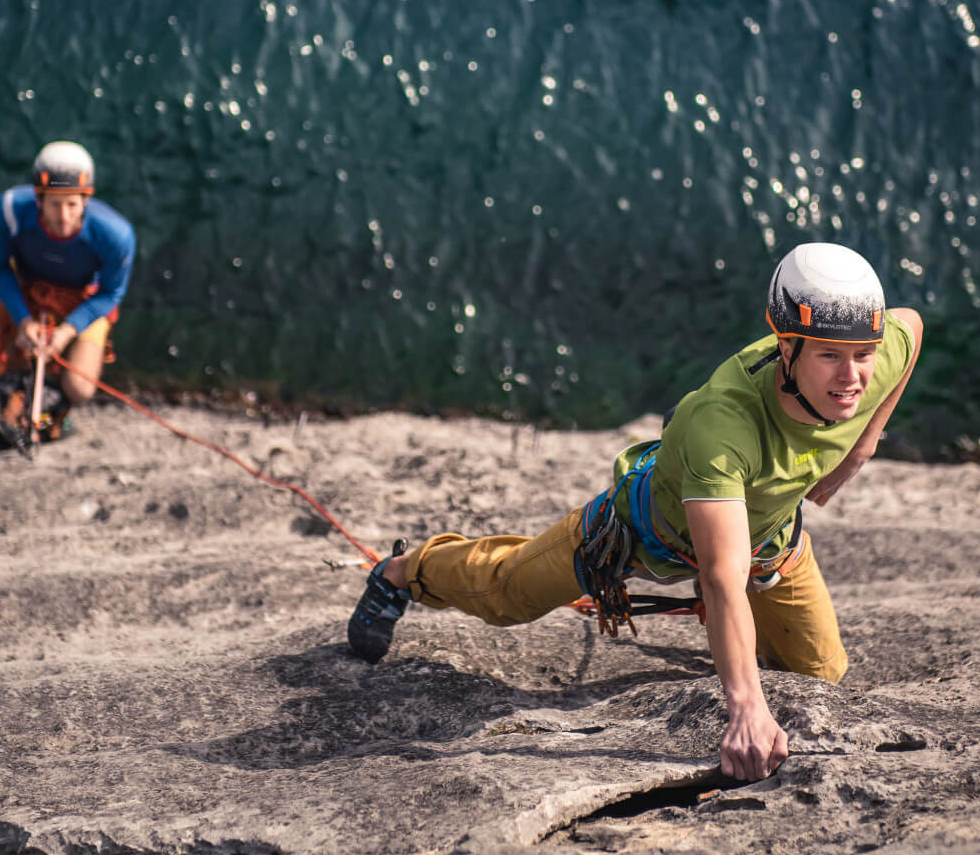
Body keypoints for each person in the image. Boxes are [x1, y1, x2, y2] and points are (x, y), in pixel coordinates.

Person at [347, 241, 923, 782]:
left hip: (769, 542)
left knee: (817, 679)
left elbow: (913, 327)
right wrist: (745, 708)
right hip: (639, 533)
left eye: (862, 356)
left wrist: (866, 441)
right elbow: (721, 579)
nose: (851, 379)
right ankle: (404, 570)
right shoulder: (724, 425)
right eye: (829, 357)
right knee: (506, 596)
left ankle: (748, 653)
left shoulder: (866, 364)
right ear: (787, 347)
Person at [0, 140, 136, 442]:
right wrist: (24, 321)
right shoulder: (11, 209)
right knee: (16, 367)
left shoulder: (116, 235)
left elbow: (110, 294)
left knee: (79, 387)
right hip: (29, 293)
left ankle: (59, 412)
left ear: (86, 200)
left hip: (83, 302)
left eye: (72, 204)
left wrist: (66, 332)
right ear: (38, 199)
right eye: (54, 203)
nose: (63, 217)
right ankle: (27, 412)